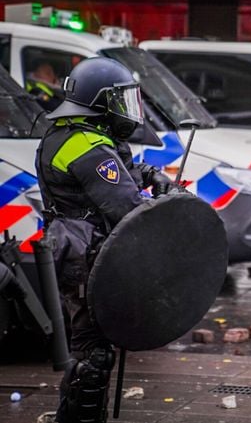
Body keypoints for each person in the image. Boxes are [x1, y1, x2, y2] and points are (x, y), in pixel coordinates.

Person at [35, 57, 172, 423]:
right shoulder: (85, 145)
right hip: (83, 253)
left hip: (80, 246)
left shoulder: (75, 135)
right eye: (119, 101)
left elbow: (114, 173)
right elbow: (124, 204)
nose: (126, 111)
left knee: (92, 350)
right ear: (98, 103)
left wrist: (148, 174)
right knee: (92, 356)